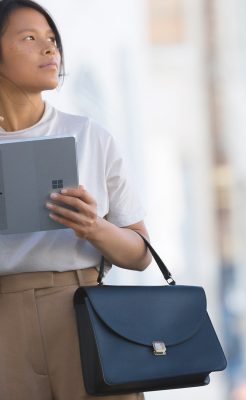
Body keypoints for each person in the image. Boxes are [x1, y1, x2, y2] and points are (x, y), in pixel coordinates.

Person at [0, 0, 151, 399]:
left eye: (52, 39)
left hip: (84, 311)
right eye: (29, 38)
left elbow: (141, 254)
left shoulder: (89, 136)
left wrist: (93, 227)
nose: (50, 49)